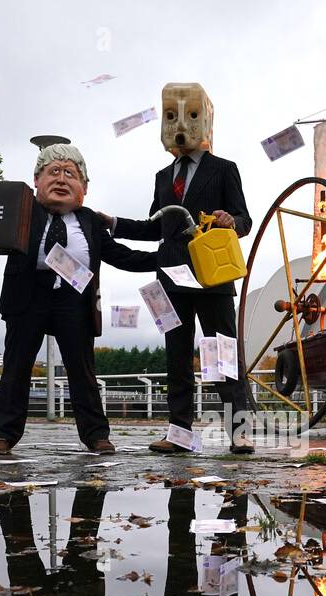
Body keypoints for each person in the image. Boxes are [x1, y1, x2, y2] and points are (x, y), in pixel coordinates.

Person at [103, 83, 254, 455]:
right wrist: (114, 223)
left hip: (212, 276)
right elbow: (156, 226)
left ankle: (240, 432)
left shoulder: (225, 169)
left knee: (221, 352)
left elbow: (246, 219)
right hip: (170, 278)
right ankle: (179, 434)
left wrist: (229, 220)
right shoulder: (161, 176)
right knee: (176, 355)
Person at [0, 144, 158, 457]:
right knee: (16, 367)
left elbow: (122, 255)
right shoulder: (24, 210)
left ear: (84, 189)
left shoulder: (90, 221)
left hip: (74, 300)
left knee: (82, 371)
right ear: (36, 180)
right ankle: (4, 435)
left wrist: (166, 258)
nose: (61, 179)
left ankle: (96, 436)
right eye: (53, 172)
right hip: (27, 296)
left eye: (70, 174)